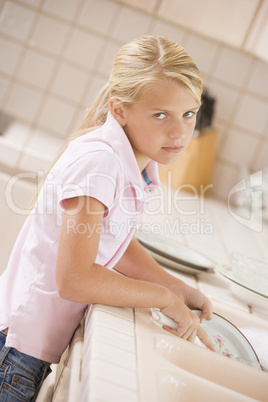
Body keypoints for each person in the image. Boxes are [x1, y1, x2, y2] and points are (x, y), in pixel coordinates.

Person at [0, 35, 215, 401]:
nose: (179, 131)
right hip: (16, 349)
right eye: (160, 115)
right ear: (119, 110)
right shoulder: (100, 164)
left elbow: (108, 237)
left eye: (188, 113)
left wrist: (176, 286)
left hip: (25, 348)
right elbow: (74, 278)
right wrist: (161, 297)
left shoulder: (134, 163)